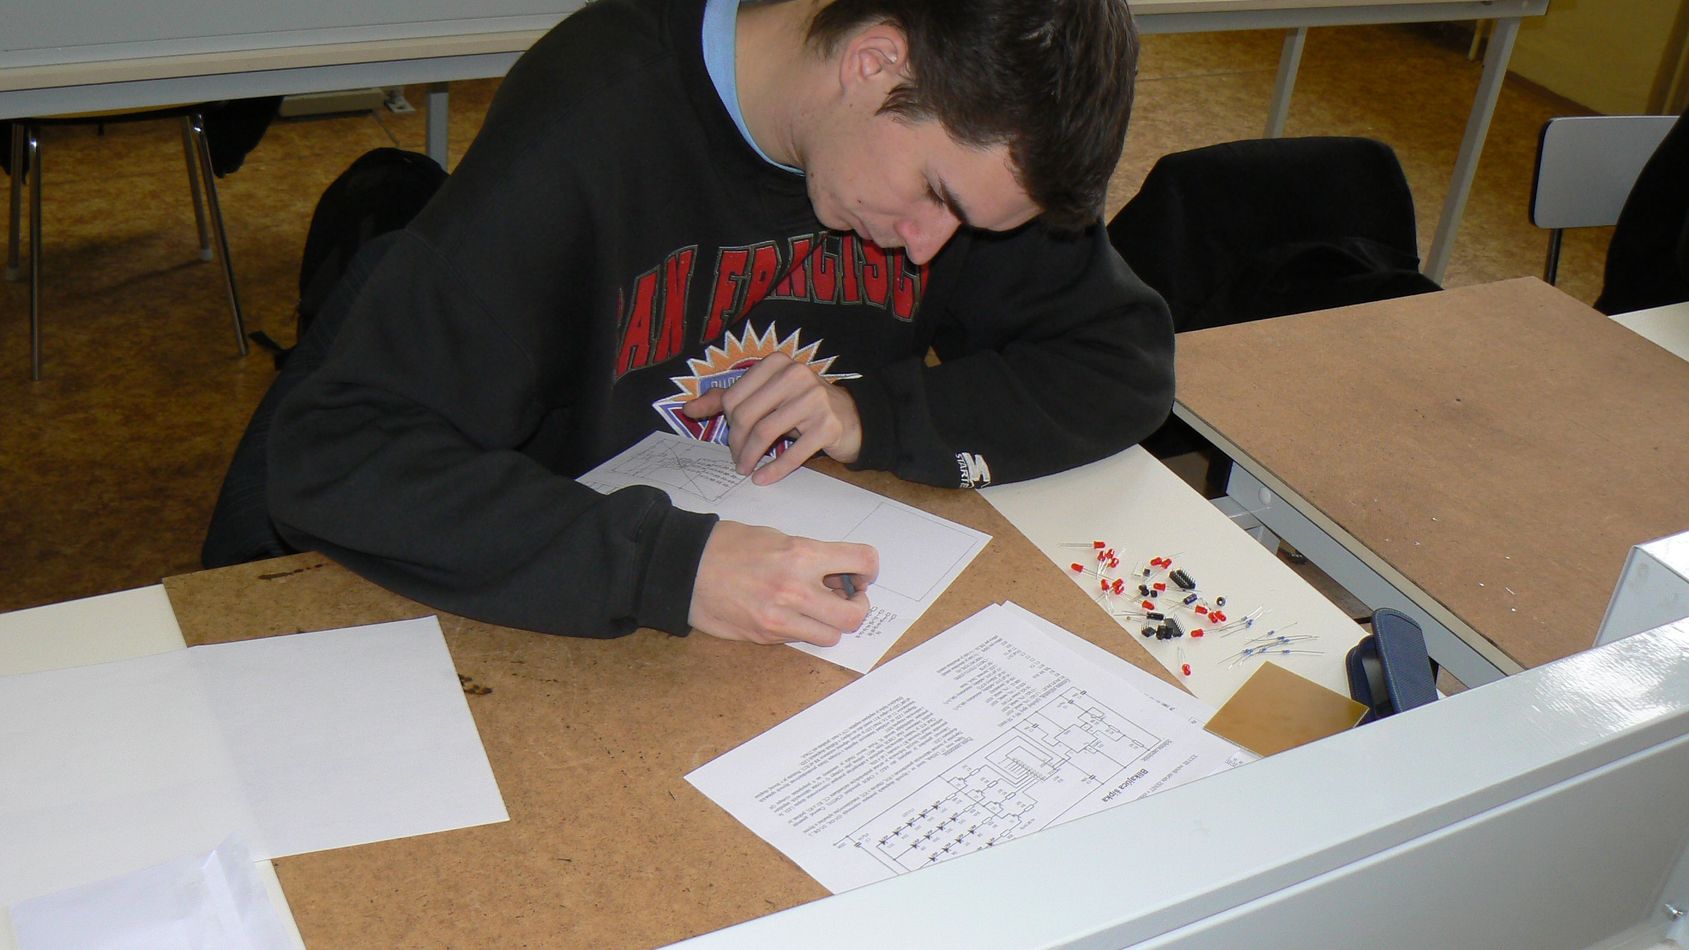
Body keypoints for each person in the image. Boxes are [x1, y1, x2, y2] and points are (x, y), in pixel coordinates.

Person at [266, 0, 1173, 649]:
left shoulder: (970, 150)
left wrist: (871, 414)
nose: (932, 246)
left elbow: (1121, 363)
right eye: (935, 197)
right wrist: (669, 566)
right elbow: (338, 450)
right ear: (874, 62)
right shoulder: (590, 121)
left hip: (780, 631)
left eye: (972, 224)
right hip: (573, 624)